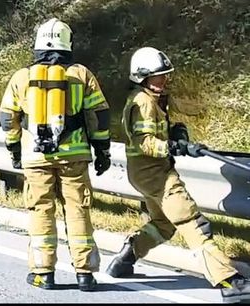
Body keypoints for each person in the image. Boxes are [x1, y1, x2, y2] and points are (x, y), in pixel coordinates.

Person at [106, 47, 250, 303]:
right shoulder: (143, 102)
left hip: (145, 172)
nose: (163, 81)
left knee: (164, 224)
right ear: (142, 77)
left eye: (164, 76)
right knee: (193, 223)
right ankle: (230, 282)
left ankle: (127, 257)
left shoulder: (152, 98)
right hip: (155, 174)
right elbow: (144, 142)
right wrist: (172, 147)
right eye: (156, 77)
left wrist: (178, 136)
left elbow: (159, 133)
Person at [0, 18, 112, 291]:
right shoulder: (81, 74)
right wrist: (102, 149)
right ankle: (85, 274)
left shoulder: (21, 77)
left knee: (41, 211)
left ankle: (43, 273)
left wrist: (15, 149)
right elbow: (100, 115)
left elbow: (7, 119)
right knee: (77, 211)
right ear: (68, 43)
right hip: (74, 157)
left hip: (36, 158)